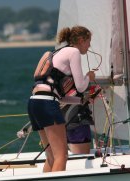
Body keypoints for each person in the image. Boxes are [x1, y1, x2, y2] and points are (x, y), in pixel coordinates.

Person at [27, 25, 95, 172]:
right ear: (81, 40)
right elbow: (81, 86)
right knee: (61, 155)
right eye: (89, 42)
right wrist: (89, 77)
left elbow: (59, 97)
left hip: (34, 102)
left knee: (51, 155)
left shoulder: (55, 53)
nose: (89, 46)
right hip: (47, 103)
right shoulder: (74, 51)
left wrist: (80, 101)